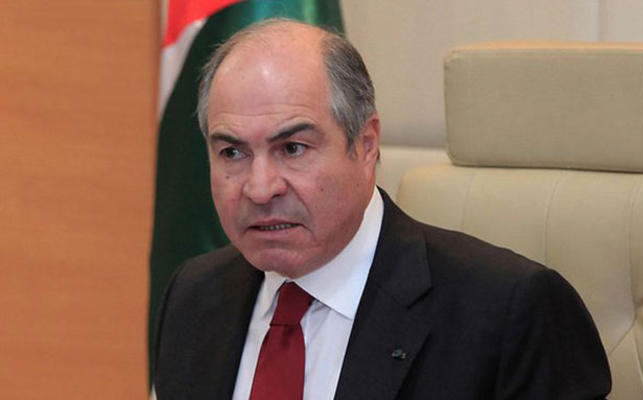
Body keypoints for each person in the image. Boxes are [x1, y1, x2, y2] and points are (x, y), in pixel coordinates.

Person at [153, 19, 611, 400]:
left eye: (292, 148)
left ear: (367, 144)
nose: (260, 188)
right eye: (232, 153)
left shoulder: (508, 312)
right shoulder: (194, 296)